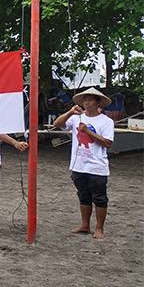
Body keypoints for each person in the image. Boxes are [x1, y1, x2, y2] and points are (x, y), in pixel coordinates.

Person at [53, 87, 114, 239]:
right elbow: (57, 124)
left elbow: (107, 143)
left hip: (97, 166)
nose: (86, 102)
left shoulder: (106, 121)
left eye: (90, 99)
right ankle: (85, 225)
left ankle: (99, 228)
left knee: (99, 198)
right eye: (84, 99)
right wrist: (70, 112)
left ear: (97, 102)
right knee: (83, 196)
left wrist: (88, 132)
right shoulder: (76, 118)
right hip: (79, 165)